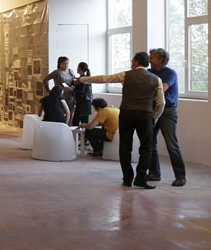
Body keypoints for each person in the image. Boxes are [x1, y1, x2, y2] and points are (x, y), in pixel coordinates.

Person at [77, 51, 164, 189]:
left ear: (136, 62)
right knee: (147, 147)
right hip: (145, 114)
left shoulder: (126, 75)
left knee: (125, 147)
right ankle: (141, 178)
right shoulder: (156, 79)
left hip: (127, 113)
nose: (131, 63)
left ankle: (127, 179)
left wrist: (82, 79)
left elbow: (104, 79)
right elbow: (161, 103)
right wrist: (154, 117)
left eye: (132, 61)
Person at [147, 48, 186, 186]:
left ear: (161, 60)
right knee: (150, 142)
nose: (150, 60)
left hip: (168, 111)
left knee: (171, 144)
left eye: (152, 57)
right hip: (152, 110)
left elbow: (162, 89)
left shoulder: (170, 73)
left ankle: (180, 176)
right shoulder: (149, 72)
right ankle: (154, 173)